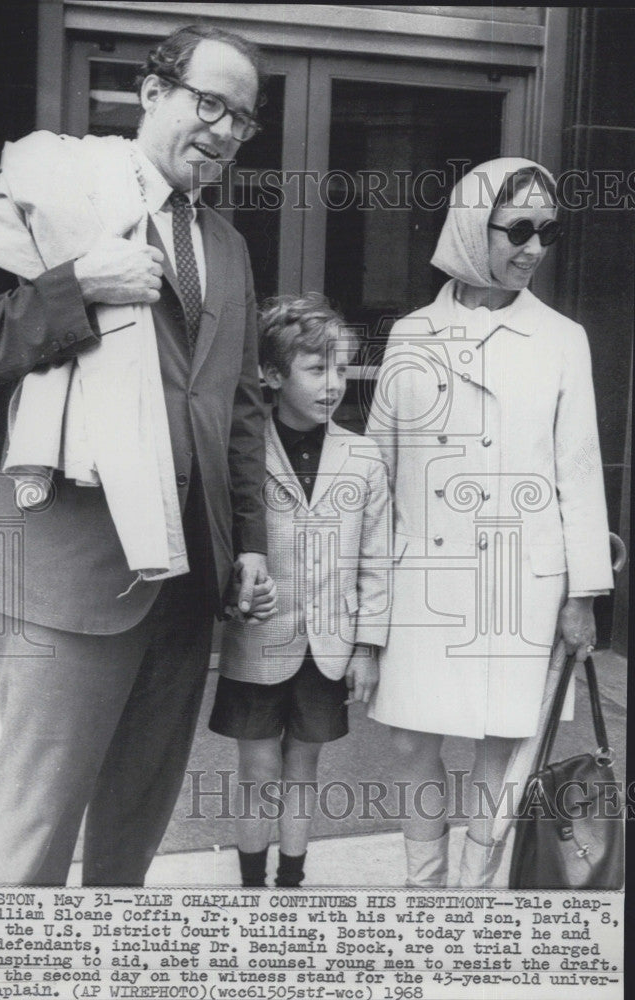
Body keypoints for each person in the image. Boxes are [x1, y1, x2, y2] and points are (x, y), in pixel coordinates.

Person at [0, 23, 277, 886]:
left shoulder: (229, 249)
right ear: (152, 92)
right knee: (35, 838)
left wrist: (247, 544)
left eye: (244, 117)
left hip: (187, 577)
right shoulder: (59, 192)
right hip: (70, 570)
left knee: (132, 839)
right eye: (211, 104)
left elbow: (237, 410)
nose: (227, 131)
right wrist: (77, 287)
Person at [365, 158, 613, 888]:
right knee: (413, 740)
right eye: (520, 230)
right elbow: (378, 471)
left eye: (549, 232)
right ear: (475, 228)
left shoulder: (564, 339)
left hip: (522, 581)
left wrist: (583, 593)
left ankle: (472, 895)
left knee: (502, 747)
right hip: (425, 579)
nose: (535, 248)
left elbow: (581, 469)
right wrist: (362, 595)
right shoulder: (411, 333)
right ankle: (424, 888)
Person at [209, 294, 392, 887]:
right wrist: (234, 591)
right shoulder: (241, 453)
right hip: (258, 641)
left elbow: (376, 560)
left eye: (340, 369)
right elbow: (221, 539)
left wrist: (365, 647)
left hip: (328, 645)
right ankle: (250, 884)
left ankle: (291, 883)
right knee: (257, 770)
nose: (333, 384)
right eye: (317, 370)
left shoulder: (362, 457)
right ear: (271, 373)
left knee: (303, 769)